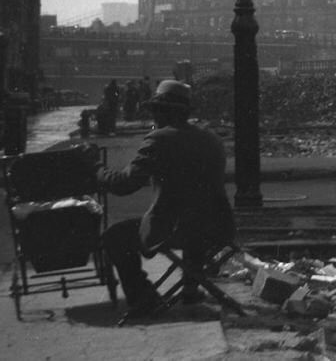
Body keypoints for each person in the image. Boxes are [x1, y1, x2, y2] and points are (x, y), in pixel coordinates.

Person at [93, 80, 234, 316]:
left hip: (176, 229)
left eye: (154, 111)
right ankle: (190, 288)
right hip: (219, 227)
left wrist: (96, 168)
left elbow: (124, 185)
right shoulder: (212, 139)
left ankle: (144, 297)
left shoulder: (159, 139)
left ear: (161, 111)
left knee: (114, 237)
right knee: (194, 214)